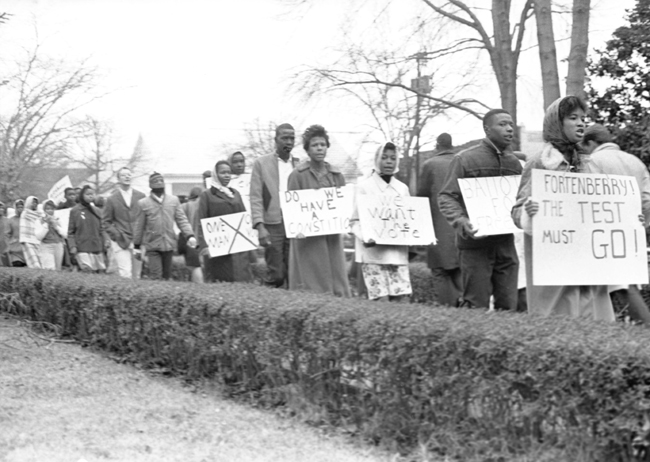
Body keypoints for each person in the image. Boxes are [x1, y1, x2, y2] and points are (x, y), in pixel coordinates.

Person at [512, 96, 615, 321]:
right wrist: (529, 212)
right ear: (557, 123)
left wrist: (626, 219)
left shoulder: (589, 164)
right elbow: (517, 211)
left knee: (592, 321)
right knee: (558, 321)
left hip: (586, 259)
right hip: (552, 263)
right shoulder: (538, 161)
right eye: (573, 118)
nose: (581, 124)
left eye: (583, 119)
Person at [438, 109, 522, 311]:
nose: (509, 129)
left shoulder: (514, 164)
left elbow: (521, 198)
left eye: (510, 124)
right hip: (475, 244)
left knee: (509, 306)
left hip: (505, 244)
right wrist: (460, 220)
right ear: (487, 129)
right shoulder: (465, 159)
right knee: (476, 305)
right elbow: (446, 195)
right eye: (502, 124)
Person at [581, 123, 650, 324]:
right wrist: (642, 223)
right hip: (631, 230)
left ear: (591, 142)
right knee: (624, 281)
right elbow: (647, 198)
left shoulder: (591, 161)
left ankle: (645, 329)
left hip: (602, 231)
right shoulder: (635, 161)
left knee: (618, 285)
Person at [287, 124, 351, 297]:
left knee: (336, 279)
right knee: (311, 284)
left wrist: (345, 224)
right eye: (315, 145)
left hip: (331, 238)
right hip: (308, 241)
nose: (319, 148)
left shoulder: (337, 175)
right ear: (307, 149)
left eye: (322, 144)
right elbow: (292, 209)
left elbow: (343, 207)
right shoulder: (297, 175)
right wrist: (296, 228)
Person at [351, 142, 411, 301]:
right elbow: (354, 221)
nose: (389, 162)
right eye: (384, 158)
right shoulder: (364, 187)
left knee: (402, 301)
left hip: (397, 254)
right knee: (381, 303)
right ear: (377, 160)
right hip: (373, 256)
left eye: (393, 158)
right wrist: (364, 237)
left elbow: (410, 220)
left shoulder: (402, 189)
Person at [250, 123, 300, 288]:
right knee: (277, 274)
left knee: (294, 273)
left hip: (295, 224)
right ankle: (267, 302)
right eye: (284, 138)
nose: (289, 141)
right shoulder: (261, 164)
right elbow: (256, 196)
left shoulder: (299, 165)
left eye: (292, 138)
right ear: (275, 140)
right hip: (273, 224)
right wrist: (260, 226)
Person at [417, 133, 462, 306]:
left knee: (440, 272)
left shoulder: (430, 165)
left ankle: (449, 309)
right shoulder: (462, 161)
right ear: (451, 145)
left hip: (437, 229)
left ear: (437, 146)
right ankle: (466, 308)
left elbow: (421, 199)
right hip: (460, 228)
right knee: (459, 270)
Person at [133, 172, 196, 280]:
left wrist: (189, 235)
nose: (158, 183)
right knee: (156, 276)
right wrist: (137, 246)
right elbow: (139, 226)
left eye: (161, 180)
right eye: (155, 181)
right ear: (150, 185)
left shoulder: (173, 200)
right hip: (153, 246)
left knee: (167, 277)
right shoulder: (143, 203)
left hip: (169, 244)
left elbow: (182, 220)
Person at [197, 161, 253, 283]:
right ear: (215, 175)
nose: (227, 175)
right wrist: (204, 247)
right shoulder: (207, 195)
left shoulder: (235, 193)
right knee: (221, 280)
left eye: (228, 172)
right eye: (223, 173)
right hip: (218, 249)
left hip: (238, 248)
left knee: (241, 280)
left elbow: (244, 219)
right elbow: (201, 221)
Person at [102, 167, 146, 279]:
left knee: (137, 274)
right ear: (118, 179)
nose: (127, 177)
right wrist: (116, 235)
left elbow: (145, 218)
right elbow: (106, 222)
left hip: (138, 241)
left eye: (129, 174)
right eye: (123, 175)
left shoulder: (141, 196)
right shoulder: (111, 199)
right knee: (125, 273)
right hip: (121, 241)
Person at [68, 185, 109, 273]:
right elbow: (70, 232)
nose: (90, 196)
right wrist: (72, 246)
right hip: (82, 247)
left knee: (99, 273)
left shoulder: (97, 211)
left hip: (96, 248)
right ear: (82, 195)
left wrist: (106, 240)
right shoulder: (75, 211)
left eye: (92, 194)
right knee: (87, 271)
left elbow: (102, 229)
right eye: (87, 194)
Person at [180, 186, 204, 283]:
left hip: (188, 240)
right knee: (198, 267)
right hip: (201, 240)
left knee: (193, 267)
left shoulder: (184, 206)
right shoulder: (202, 204)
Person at [19, 196, 47, 269]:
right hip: (27, 240)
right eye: (33, 202)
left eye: (36, 202)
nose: (35, 204)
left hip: (38, 239)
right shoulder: (25, 213)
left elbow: (43, 223)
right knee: (34, 261)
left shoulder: (40, 214)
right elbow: (23, 227)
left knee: (40, 260)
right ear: (28, 203)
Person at [41, 200, 66, 270]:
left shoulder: (59, 219)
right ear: (44, 210)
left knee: (58, 268)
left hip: (58, 245)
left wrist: (56, 226)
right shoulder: (40, 220)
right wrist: (46, 224)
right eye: (47, 209)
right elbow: (39, 236)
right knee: (49, 268)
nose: (50, 211)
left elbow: (65, 234)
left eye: (52, 209)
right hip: (46, 246)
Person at [5, 200, 26, 267]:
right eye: (18, 207)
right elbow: (7, 234)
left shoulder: (27, 219)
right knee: (17, 266)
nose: (20, 209)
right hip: (15, 250)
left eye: (22, 207)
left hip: (26, 250)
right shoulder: (11, 220)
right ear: (15, 208)